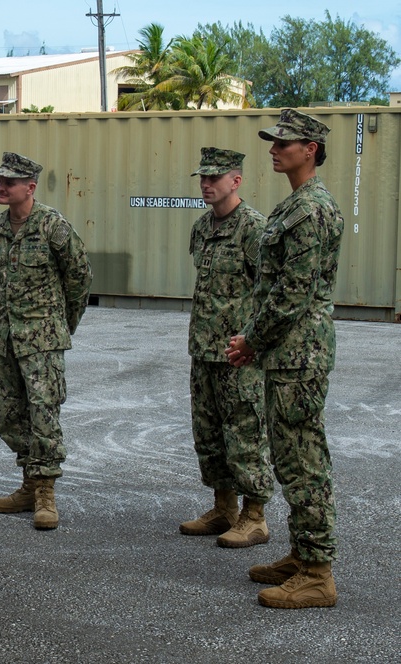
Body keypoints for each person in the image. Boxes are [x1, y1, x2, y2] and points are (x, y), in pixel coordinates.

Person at [226, 109, 344, 609]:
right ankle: (301, 555)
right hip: (287, 352)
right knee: (290, 454)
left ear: (311, 149)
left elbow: (292, 294)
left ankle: (318, 572)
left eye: (285, 143)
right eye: (273, 141)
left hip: (299, 352)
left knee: (302, 460)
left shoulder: (311, 210)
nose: (274, 148)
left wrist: (250, 339)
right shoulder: (295, 205)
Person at [0, 152, 91, 531]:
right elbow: (2, 278)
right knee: (9, 414)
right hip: (7, 336)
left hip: (42, 338)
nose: (1, 186)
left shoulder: (52, 227)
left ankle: (45, 492)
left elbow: (79, 278)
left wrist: (62, 324)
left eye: (10, 182)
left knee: (44, 414)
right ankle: (29, 482)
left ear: (29, 187)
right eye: (0, 180)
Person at [181, 147, 274, 548]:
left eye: (215, 178)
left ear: (235, 181)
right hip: (203, 349)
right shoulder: (202, 228)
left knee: (245, 433)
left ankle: (255, 516)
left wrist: (255, 342)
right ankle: (224, 508)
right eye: (203, 178)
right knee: (209, 434)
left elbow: (270, 290)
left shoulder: (255, 229)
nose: (206, 184)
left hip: (240, 354)